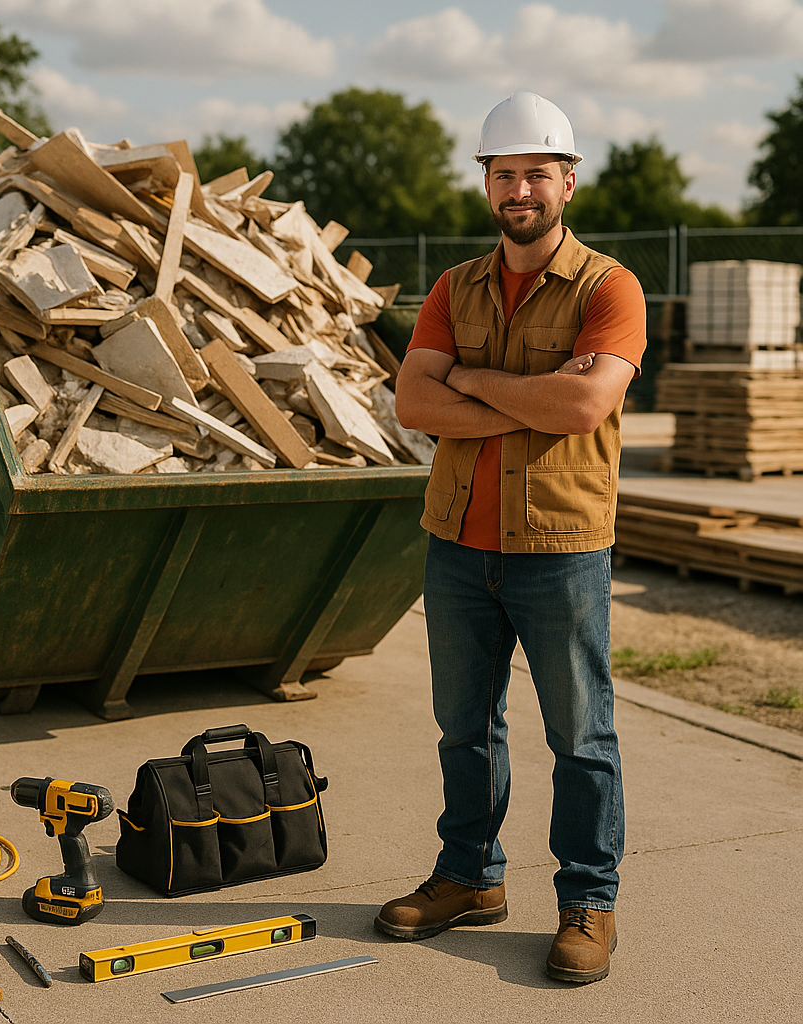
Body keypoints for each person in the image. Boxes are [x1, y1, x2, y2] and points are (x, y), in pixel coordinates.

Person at [374, 90, 647, 985]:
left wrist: (473, 381)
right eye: (504, 173)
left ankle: (588, 900)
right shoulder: (455, 287)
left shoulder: (609, 287)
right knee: (466, 729)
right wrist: (523, 392)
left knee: (581, 736)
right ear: (486, 182)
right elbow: (414, 403)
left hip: (561, 549)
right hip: (457, 543)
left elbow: (582, 404)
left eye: (536, 172)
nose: (519, 188)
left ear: (569, 181)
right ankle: (470, 879)